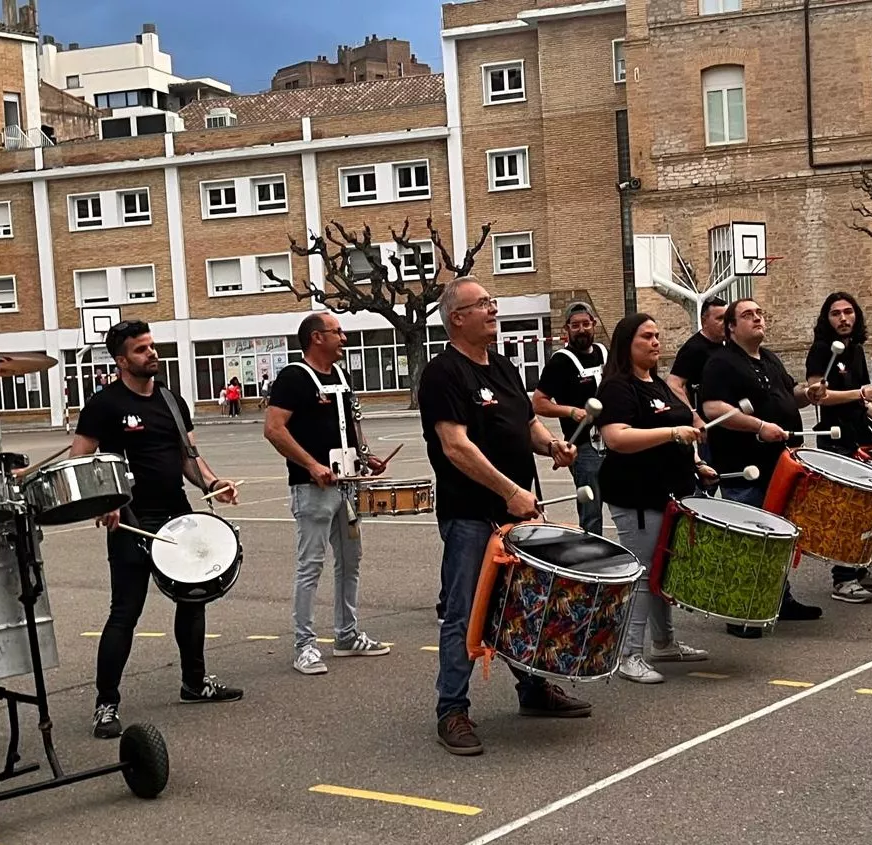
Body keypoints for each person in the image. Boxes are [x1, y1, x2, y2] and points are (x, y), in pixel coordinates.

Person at [419, 276, 587, 756]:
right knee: (463, 612)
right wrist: (509, 491)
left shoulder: (503, 366)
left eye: (493, 302)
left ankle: (533, 691)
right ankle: (451, 710)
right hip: (473, 515)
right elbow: (455, 446)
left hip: (519, 512)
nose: (494, 309)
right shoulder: (442, 373)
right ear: (457, 318)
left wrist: (551, 444)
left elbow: (526, 421)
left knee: (526, 607)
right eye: (483, 304)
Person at [71, 320, 243, 740]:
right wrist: (104, 502)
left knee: (193, 598)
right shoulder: (103, 404)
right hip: (130, 519)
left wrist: (212, 483)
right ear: (121, 359)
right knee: (125, 613)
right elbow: (79, 462)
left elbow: (189, 458)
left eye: (151, 346)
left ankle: (194, 682)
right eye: (141, 349)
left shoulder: (171, 401)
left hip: (176, 514)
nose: (151, 353)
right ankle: (105, 704)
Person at [264, 312, 390, 676]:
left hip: (347, 485)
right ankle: (304, 645)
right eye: (338, 332)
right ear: (317, 338)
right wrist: (310, 465)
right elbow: (274, 430)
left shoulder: (340, 375)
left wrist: (366, 457)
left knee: (351, 560)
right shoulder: (293, 377)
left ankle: (346, 636)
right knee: (311, 566)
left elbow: (350, 423)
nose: (344, 338)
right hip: (313, 489)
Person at [595, 313, 715, 684]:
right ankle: (630, 654)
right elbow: (616, 437)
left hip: (671, 492)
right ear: (627, 343)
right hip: (637, 495)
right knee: (644, 573)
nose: (656, 342)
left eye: (658, 336)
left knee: (662, 570)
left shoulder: (659, 384)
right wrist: (671, 434)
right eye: (647, 336)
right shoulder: (617, 387)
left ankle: (664, 642)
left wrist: (696, 462)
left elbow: (681, 430)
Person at [699, 298, 824, 637]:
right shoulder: (720, 363)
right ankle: (739, 612)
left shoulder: (768, 358)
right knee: (747, 541)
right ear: (731, 327)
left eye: (759, 314)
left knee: (776, 537)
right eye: (747, 315)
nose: (757, 319)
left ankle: (779, 600)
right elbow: (713, 408)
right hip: (745, 467)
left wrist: (807, 393)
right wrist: (758, 426)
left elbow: (789, 393)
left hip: (779, 465)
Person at [804, 292, 872, 603]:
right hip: (835, 438)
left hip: (860, 436)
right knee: (846, 510)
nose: (843, 318)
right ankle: (843, 579)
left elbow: (864, 398)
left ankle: (859, 567)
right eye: (835, 314)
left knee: (867, 510)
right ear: (826, 319)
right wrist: (860, 393)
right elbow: (820, 396)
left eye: (848, 312)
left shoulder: (856, 350)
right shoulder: (820, 351)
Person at [532, 301, 607, 535]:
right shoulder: (561, 361)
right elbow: (538, 402)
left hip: (613, 441)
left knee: (624, 501)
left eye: (586, 324)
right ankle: (592, 560)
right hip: (584, 447)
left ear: (594, 325)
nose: (582, 329)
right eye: (575, 325)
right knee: (591, 512)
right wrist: (571, 411)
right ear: (567, 329)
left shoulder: (604, 352)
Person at [667, 296, 727, 415]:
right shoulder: (693, 348)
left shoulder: (729, 345)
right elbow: (673, 383)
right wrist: (693, 416)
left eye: (727, 318)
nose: (725, 323)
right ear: (704, 321)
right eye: (720, 318)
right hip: (707, 421)